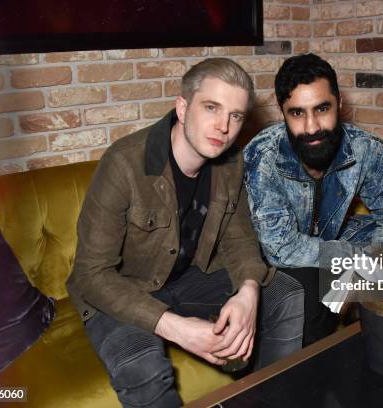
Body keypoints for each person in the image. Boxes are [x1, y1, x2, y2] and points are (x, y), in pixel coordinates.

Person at [66, 58, 304, 408]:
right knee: (141, 363)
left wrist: (248, 291)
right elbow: (91, 274)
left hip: (189, 276)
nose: (223, 126)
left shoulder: (230, 161)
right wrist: (175, 327)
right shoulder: (124, 163)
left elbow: (239, 239)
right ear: (182, 107)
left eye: (235, 116)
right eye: (211, 107)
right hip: (122, 287)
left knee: (284, 292)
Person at [243, 53, 383, 345]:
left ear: (339, 104)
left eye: (322, 108)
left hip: (329, 248)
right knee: (313, 291)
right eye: (297, 113)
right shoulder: (263, 156)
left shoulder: (365, 150)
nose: (312, 127)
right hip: (274, 261)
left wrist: (368, 268)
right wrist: (355, 262)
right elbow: (280, 248)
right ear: (282, 113)